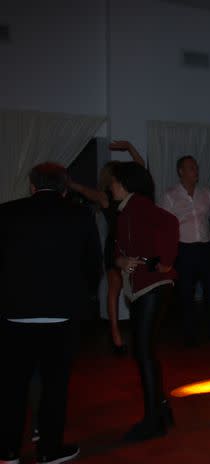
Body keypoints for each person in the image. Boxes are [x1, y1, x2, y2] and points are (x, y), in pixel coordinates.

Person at [0, 163, 102, 464]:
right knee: (55, 386)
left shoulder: (5, 213)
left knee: (11, 386)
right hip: (61, 314)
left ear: (32, 186)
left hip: (14, 313)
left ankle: (7, 451)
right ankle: (48, 449)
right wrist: (80, 298)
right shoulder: (80, 215)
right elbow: (92, 267)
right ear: (64, 187)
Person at [111, 162, 179, 442]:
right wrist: (121, 260)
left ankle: (154, 419)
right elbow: (119, 250)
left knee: (143, 352)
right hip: (143, 287)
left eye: (113, 181)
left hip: (153, 285)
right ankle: (160, 412)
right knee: (144, 351)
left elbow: (171, 223)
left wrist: (164, 262)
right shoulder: (126, 210)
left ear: (124, 182)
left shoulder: (137, 204)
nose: (110, 186)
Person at [68, 140, 146, 354]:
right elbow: (84, 190)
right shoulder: (105, 197)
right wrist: (66, 182)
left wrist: (130, 147)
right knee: (114, 288)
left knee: (137, 289)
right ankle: (116, 335)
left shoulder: (131, 194)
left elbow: (141, 170)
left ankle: (130, 333)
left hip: (134, 245)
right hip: (116, 246)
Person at [159, 155, 210, 346]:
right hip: (184, 249)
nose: (196, 170)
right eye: (191, 167)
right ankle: (189, 334)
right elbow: (163, 225)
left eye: (196, 167)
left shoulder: (206, 192)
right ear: (181, 171)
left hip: (205, 247)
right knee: (185, 293)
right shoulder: (170, 196)